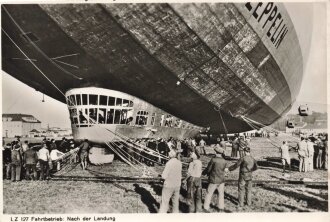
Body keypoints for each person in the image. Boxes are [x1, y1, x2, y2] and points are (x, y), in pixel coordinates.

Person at [202, 146, 228, 212]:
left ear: (216, 152)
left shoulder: (213, 160)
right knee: (221, 194)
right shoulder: (224, 161)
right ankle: (221, 208)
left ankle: (206, 207)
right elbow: (224, 170)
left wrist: (204, 173)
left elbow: (208, 169)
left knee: (209, 193)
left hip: (213, 180)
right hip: (221, 180)